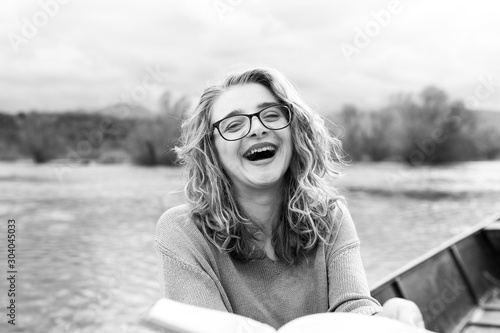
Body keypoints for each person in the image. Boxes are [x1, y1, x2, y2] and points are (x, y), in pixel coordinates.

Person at [154, 67, 425, 330]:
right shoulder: (182, 231)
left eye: (271, 115)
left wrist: (384, 318)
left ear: (295, 132)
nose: (257, 129)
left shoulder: (331, 215)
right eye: (234, 124)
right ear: (211, 148)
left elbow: (353, 309)